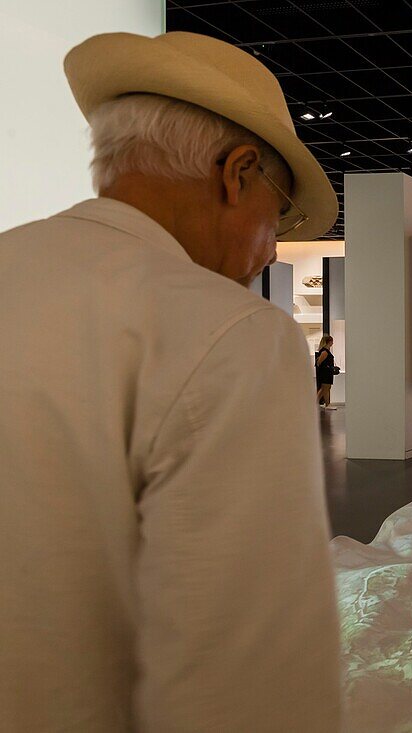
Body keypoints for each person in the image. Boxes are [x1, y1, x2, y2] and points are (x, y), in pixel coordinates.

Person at [0, 32, 342, 731]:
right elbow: (248, 687)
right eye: (277, 215)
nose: (272, 248)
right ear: (235, 173)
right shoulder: (233, 333)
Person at [316, 334, 337, 408]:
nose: (333, 343)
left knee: (325, 389)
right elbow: (318, 363)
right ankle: (327, 404)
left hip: (327, 372)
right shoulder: (324, 352)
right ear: (329, 342)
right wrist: (328, 367)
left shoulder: (326, 351)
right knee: (325, 388)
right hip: (325, 373)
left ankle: (315, 403)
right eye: (332, 341)